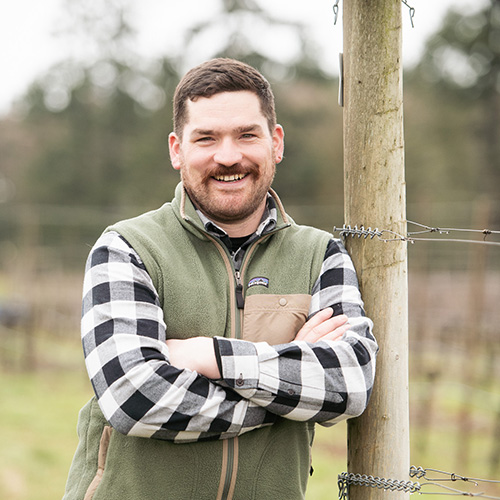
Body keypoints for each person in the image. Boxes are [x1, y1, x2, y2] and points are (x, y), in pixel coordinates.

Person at [63, 58, 377, 500]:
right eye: (206, 138)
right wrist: (287, 393)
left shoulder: (320, 255)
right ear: (177, 149)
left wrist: (209, 356)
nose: (228, 156)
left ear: (276, 142)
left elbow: (350, 382)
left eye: (247, 134)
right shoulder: (127, 248)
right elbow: (134, 397)